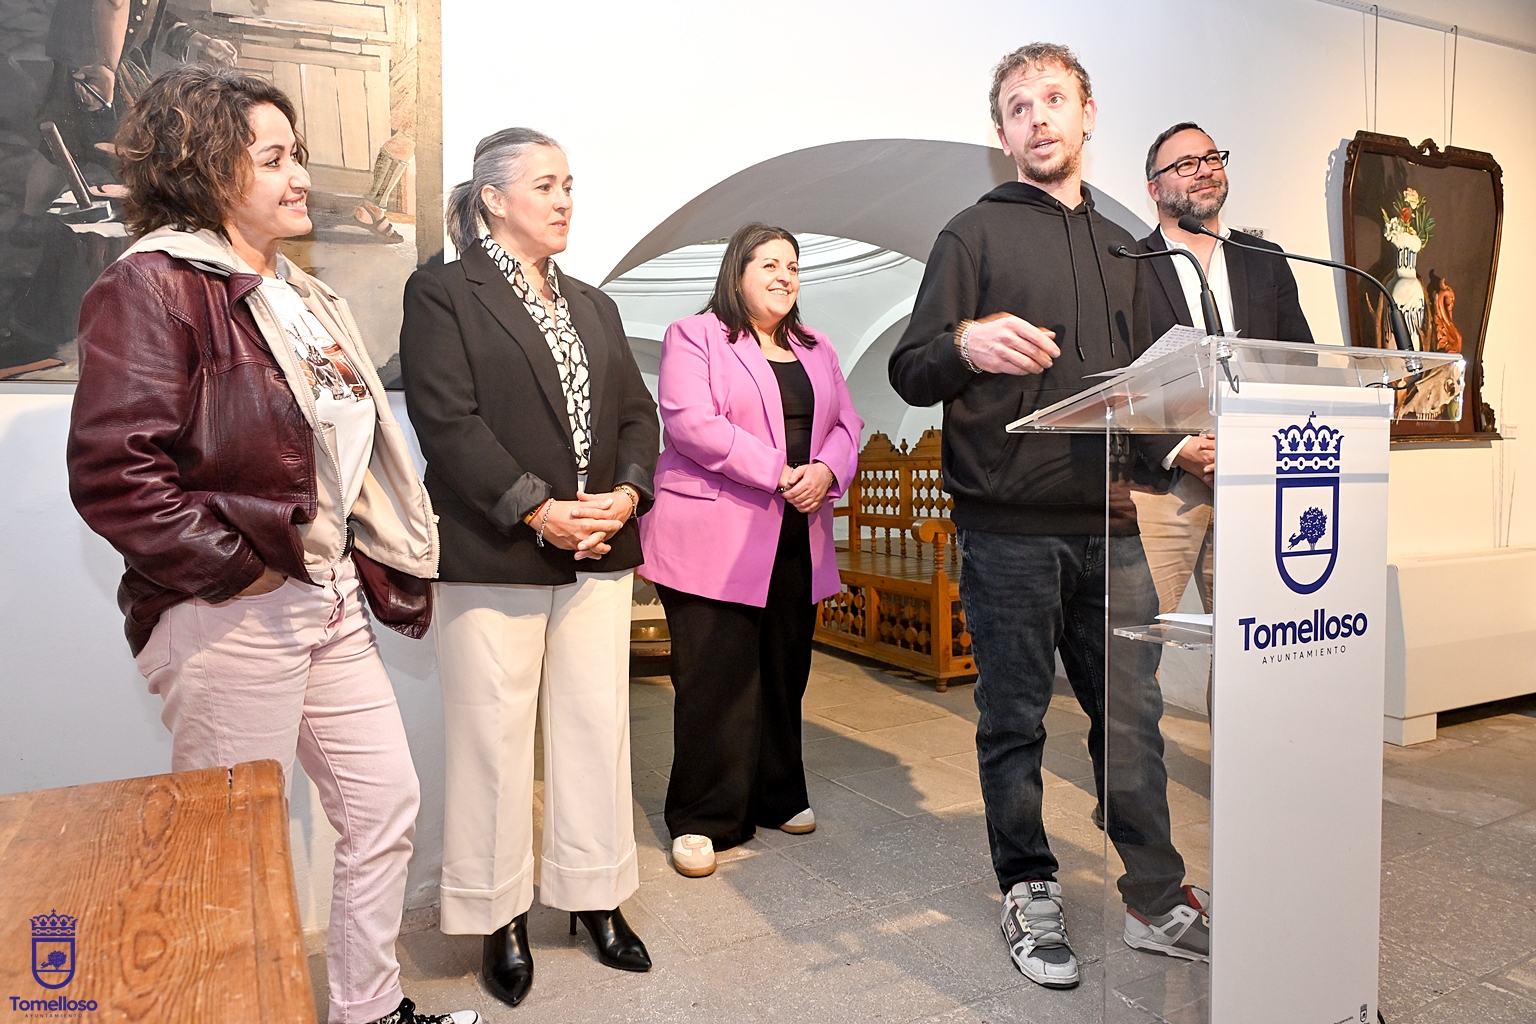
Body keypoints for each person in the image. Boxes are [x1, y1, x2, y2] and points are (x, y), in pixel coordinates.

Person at [65, 65, 474, 1024]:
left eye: (297, 155)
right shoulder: (153, 287)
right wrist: (241, 569)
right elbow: (115, 474)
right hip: (231, 609)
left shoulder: (293, 292)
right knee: (228, 847)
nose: (302, 178)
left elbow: (334, 458)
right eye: (276, 158)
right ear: (207, 170)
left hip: (324, 600)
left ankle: (367, 1011)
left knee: (381, 809)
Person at [887, 43, 1210, 990]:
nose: (1038, 117)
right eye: (1019, 106)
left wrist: (1173, 446)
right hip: (1009, 529)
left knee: (1135, 718)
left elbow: (1137, 389)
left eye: (1054, 99)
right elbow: (912, 370)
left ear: (1088, 113)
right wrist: (963, 340)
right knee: (1015, 720)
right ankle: (1028, 888)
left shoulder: (1125, 245)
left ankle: (1155, 896)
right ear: (1002, 133)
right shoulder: (970, 236)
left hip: (1113, 524)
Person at [398, 128, 660, 1007]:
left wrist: (622, 499)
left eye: (570, 184)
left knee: (595, 732)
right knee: (492, 742)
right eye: (545, 184)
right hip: (497, 547)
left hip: (599, 548)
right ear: (493, 199)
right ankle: (497, 914)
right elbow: (447, 421)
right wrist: (539, 511)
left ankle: (595, 899)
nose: (563, 199)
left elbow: (636, 416)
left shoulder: (595, 304)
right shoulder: (442, 291)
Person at [638, 224, 863, 879]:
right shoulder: (696, 335)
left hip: (798, 529)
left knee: (784, 669)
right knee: (716, 679)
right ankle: (704, 818)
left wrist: (823, 469)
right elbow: (690, 422)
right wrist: (783, 471)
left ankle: (776, 792)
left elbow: (848, 424)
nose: (785, 275)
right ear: (738, 272)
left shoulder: (817, 347)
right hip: (716, 534)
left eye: (793, 265)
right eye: (769, 263)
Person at [1136, 122, 1314, 615]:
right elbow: (1118, 377)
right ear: (1155, 187)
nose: (1204, 172)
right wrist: (1179, 448)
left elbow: (1299, 361)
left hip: (1253, 471)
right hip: (1162, 480)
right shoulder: (1127, 265)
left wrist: (1255, 441)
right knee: (1134, 643)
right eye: (1185, 164)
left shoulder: (1265, 259)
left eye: (1212, 159)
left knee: (1247, 641)